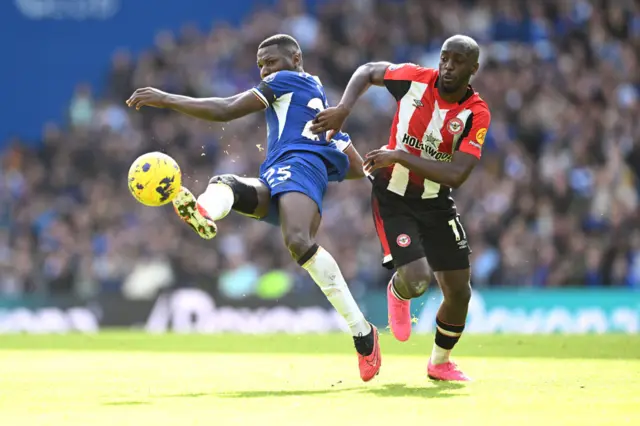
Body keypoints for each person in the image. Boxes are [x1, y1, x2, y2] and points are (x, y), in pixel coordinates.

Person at [126, 34, 381, 382]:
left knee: (298, 242)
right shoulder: (319, 103)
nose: (264, 71)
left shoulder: (285, 81)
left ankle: (362, 333)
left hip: (298, 167)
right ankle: (202, 211)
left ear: (295, 58)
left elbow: (227, 109)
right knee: (227, 184)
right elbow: (354, 169)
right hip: (279, 175)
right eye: (260, 65)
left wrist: (167, 98)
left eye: (270, 62)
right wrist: (331, 148)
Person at [310, 35, 490, 382]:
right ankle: (398, 289)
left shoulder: (476, 113)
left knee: (459, 291)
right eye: (444, 58)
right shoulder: (414, 79)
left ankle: (440, 363)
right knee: (418, 280)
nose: (448, 66)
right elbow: (367, 71)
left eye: (457, 61)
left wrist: (398, 155)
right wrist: (344, 109)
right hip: (392, 196)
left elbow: (458, 174)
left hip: (436, 202)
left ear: (473, 69)